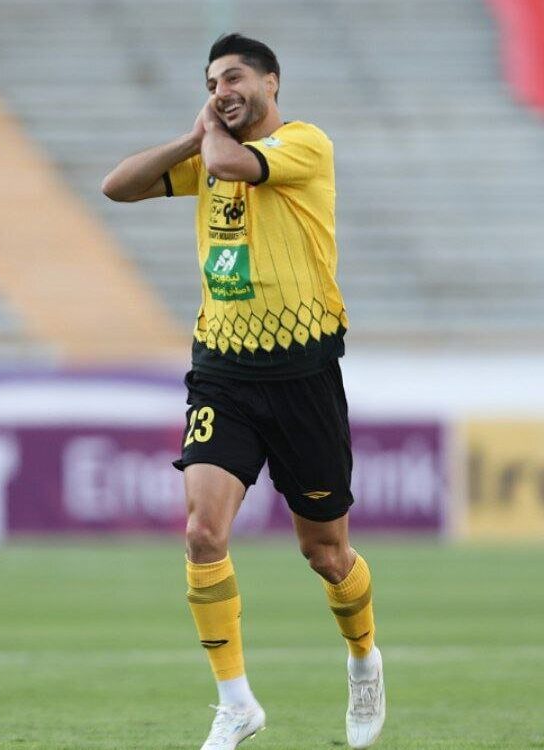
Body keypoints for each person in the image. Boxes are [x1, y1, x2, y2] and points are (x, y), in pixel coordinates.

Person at [101, 32, 385, 750]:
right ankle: (235, 703)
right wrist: (190, 134)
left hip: (302, 375)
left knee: (326, 553)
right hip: (224, 372)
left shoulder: (304, 144)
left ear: (271, 82)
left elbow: (231, 161)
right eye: (211, 83)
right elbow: (117, 185)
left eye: (233, 79)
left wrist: (210, 135)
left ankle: (363, 659)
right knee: (202, 532)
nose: (222, 92)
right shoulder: (207, 153)